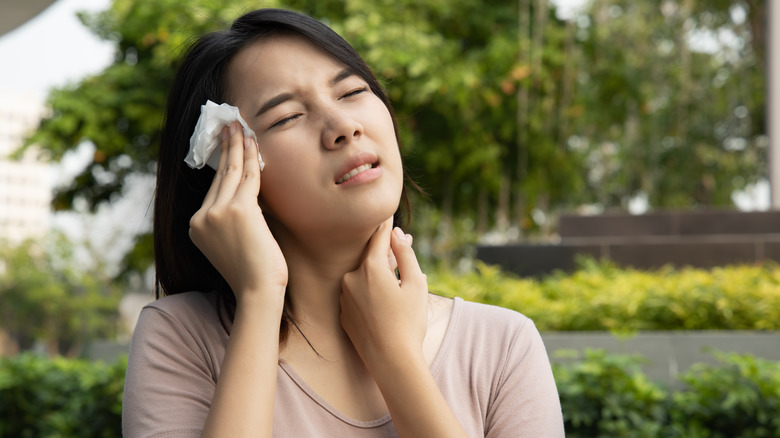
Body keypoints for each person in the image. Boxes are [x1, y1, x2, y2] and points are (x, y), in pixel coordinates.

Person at [122, 8, 564, 438]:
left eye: (352, 92)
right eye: (287, 116)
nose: (343, 126)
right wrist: (260, 297)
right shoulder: (180, 338)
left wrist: (395, 358)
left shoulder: (502, 345)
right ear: (230, 167)